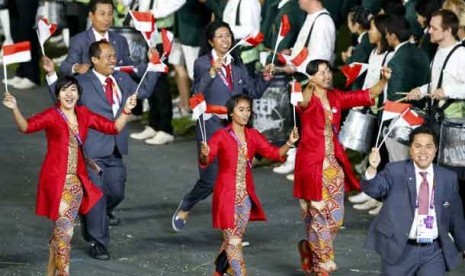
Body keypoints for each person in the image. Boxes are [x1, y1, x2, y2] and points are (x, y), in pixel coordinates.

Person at [2, 77, 137, 276]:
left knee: (65, 231)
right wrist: (14, 108)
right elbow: (26, 127)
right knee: (62, 232)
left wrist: (126, 109)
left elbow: (113, 128)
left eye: (73, 90)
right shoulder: (52, 115)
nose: (69, 94)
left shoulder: (84, 114)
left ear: (78, 94)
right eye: (64, 90)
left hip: (75, 182)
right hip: (54, 181)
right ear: (57, 95)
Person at [43, 40, 161, 260]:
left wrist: (153, 66)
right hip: (91, 150)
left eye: (114, 56)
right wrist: (51, 75)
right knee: (96, 196)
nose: (113, 60)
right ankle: (98, 241)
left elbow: (143, 90)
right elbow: (61, 99)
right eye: (108, 57)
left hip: (116, 147)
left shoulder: (122, 79)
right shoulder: (82, 82)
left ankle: (94, 212)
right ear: (95, 60)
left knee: (116, 192)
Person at [171, 21, 274, 232]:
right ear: (210, 41)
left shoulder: (238, 65)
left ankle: (232, 228)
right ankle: (187, 203)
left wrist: (265, 76)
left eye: (228, 35)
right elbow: (196, 93)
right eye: (220, 36)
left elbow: (253, 92)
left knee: (236, 179)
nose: (225, 40)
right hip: (210, 125)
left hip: (234, 129)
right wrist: (211, 73)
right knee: (210, 179)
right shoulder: (202, 63)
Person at [294, 59, 391, 275]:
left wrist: (383, 80)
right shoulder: (304, 98)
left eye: (328, 71)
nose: (327, 75)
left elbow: (366, 95)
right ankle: (323, 264)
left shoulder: (336, 96)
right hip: (311, 165)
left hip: (334, 165)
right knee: (318, 213)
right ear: (311, 78)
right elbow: (302, 103)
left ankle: (309, 249)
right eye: (321, 73)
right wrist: (308, 85)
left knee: (335, 220)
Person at [199, 94, 299, 276]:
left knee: (233, 238)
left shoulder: (253, 135)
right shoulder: (221, 136)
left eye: (248, 110)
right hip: (226, 197)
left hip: (245, 198)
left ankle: (220, 269)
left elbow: (275, 154)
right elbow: (206, 158)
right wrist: (204, 153)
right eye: (241, 110)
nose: (246, 114)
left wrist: (290, 142)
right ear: (230, 113)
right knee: (234, 240)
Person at [361, 126, 465, 275]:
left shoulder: (448, 178)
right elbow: (373, 189)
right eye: (418, 146)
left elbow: (456, 217)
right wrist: (372, 168)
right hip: (399, 250)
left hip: (433, 251)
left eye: (429, 147)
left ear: (436, 150)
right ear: (410, 149)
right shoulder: (394, 171)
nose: (423, 152)